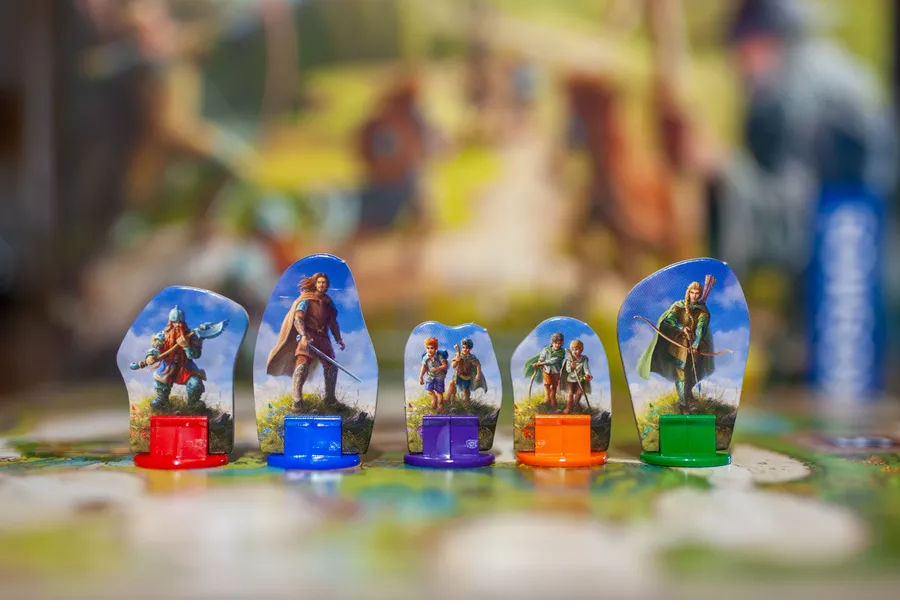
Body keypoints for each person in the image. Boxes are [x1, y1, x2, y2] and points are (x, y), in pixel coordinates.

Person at [266, 272, 345, 413]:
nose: (322, 285)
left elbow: (333, 323)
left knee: (332, 366)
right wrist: (303, 335)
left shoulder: (329, 302)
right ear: (315, 284)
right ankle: (297, 402)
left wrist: (338, 339)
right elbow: (298, 318)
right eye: (319, 282)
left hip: (323, 338)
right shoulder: (306, 299)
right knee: (302, 365)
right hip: (308, 335)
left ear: (327, 285)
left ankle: (330, 399)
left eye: (324, 282)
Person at [637, 282, 714, 413]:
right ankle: (683, 404)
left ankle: (688, 394)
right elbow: (670, 318)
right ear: (688, 293)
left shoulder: (702, 309)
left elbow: (702, 326)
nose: (694, 296)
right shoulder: (679, 305)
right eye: (692, 293)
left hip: (695, 345)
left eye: (697, 294)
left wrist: (696, 342)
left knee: (695, 371)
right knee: (681, 372)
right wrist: (681, 327)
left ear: (700, 294)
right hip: (680, 346)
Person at [142, 306, 208, 409]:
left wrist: (187, 346)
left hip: (185, 367)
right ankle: (162, 401)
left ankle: (193, 404)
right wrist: (150, 356)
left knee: (195, 383)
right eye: (175, 322)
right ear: (170, 323)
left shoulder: (191, 336)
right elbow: (155, 348)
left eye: (180, 322)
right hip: (167, 366)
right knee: (160, 380)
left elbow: (195, 355)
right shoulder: (162, 336)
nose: (177, 325)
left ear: (183, 323)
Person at [524, 332, 566, 409]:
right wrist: (539, 362)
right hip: (546, 371)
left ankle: (553, 400)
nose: (557, 345)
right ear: (552, 342)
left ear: (562, 343)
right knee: (547, 385)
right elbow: (542, 357)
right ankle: (547, 399)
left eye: (559, 343)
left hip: (555, 372)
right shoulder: (546, 349)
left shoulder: (562, 352)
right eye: (555, 343)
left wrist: (542, 363)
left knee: (554, 387)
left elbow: (553, 360)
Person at [447, 338, 486, 405]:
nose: (465, 349)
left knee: (466, 390)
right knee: (451, 384)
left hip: (466, 377)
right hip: (457, 375)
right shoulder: (458, 355)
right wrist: (457, 360)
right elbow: (453, 365)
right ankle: (448, 399)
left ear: (470, 349)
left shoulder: (471, 357)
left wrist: (478, 374)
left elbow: (478, 365)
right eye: (463, 347)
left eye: (467, 348)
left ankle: (466, 403)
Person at [419, 337, 449, 412]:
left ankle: (440, 404)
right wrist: (421, 376)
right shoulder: (425, 357)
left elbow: (445, 365)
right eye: (427, 348)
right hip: (430, 376)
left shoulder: (439, 356)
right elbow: (424, 367)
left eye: (432, 348)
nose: (429, 350)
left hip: (439, 376)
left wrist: (436, 368)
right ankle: (434, 397)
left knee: (439, 392)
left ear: (436, 348)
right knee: (429, 389)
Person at [563, 339, 593, 414]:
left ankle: (577, 405)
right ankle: (568, 407)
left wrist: (588, 374)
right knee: (570, 394)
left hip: (580, 380)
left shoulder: (584, 359)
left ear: (581, 349)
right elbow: (568, 370)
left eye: (576, 349)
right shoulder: (569, 359)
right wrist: (571, 367)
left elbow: (586, 368)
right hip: (570, 380)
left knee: (579, 393)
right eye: (572, 349)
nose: (574, 351)